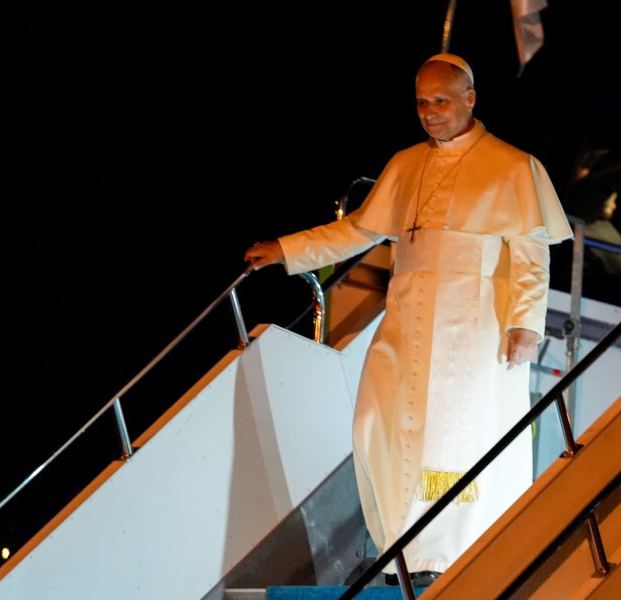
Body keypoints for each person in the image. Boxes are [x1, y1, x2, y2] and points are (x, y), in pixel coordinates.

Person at [243, 53, 573, 586]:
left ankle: (456, 555)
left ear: (470, 98)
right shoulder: (405, 163)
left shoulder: (514, 166)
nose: (430, 112)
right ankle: (404, 550)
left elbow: (534, 254)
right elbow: (357, 231)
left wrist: (525, 324)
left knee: (461, 441)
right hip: (406, 323)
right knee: (375, 425)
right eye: (421, 102)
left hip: (474, 331)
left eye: (441, 100)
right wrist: (287, 248)